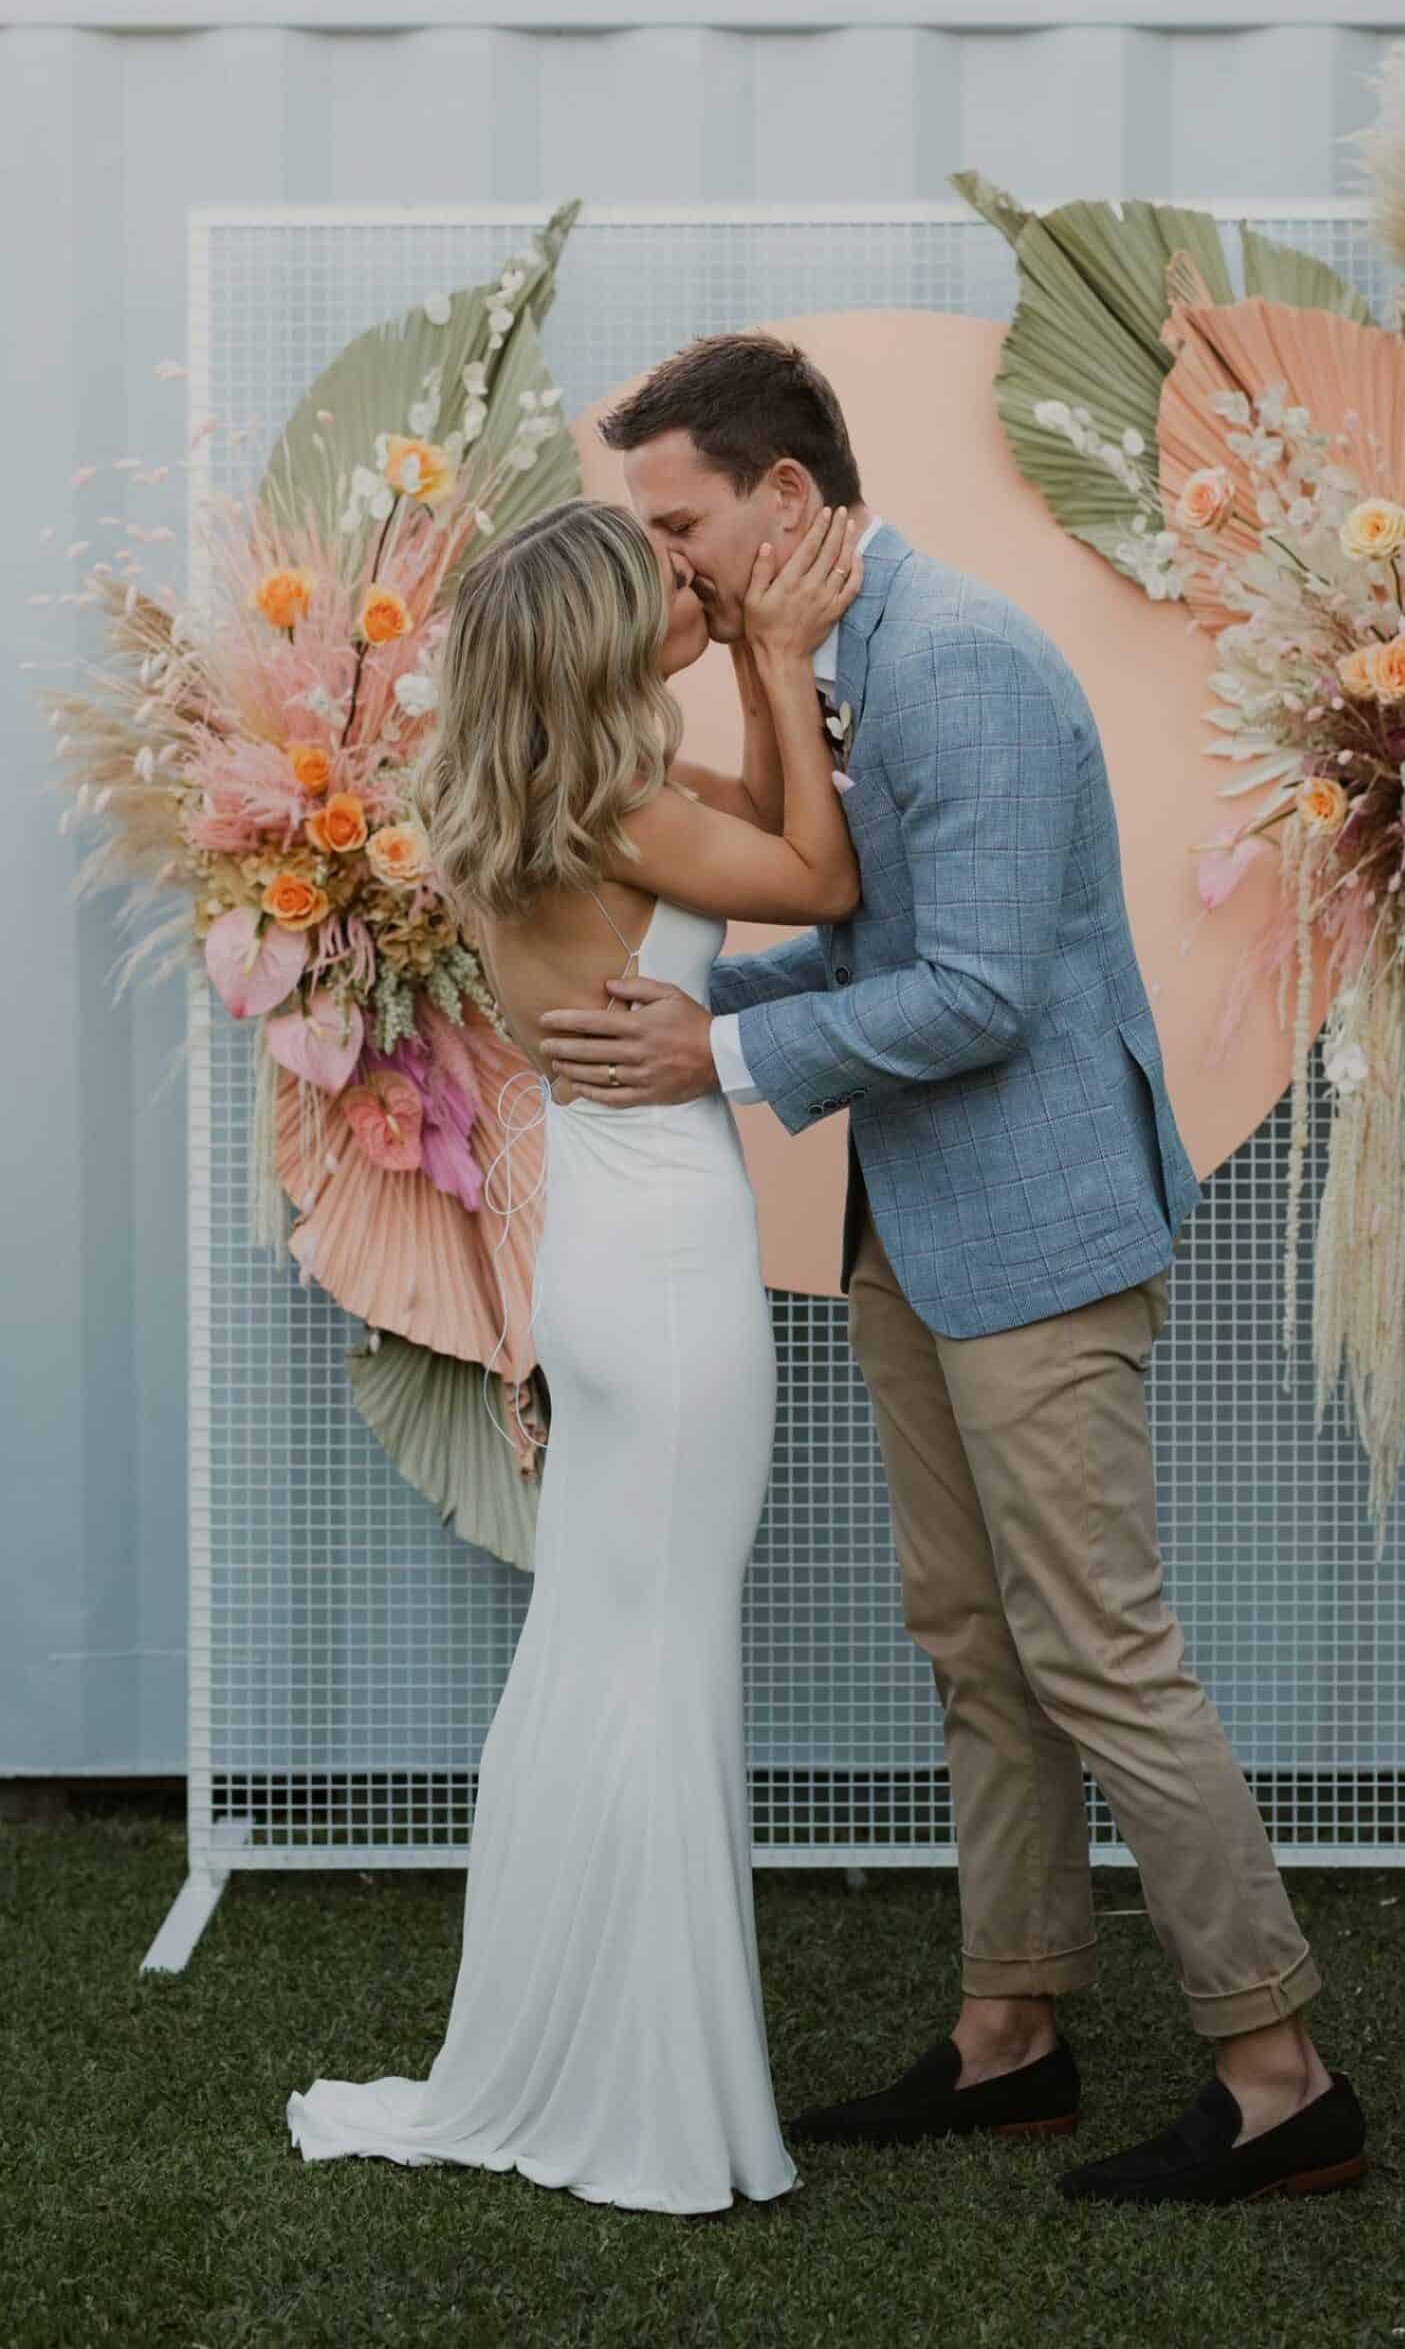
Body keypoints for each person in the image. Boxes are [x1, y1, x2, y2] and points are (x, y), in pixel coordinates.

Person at [539, 332, 1368, 2210]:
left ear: (790, 503)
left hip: (1038, 1222)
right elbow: (858, 948)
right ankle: (1014, 2039)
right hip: (913, 1222)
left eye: (680, 529)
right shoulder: (818, 664)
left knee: (1097, 1650)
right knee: (974, 1644)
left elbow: (982, 994)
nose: (662, 566)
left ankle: (1279, 2068)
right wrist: (659, 1005)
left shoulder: (959, 662)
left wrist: (715, 1056)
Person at [285, 496, 865, 2214]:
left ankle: (584, 2048)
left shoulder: (527, 814)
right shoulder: (627, 808)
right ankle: (650, 2102)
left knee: (596, 1656)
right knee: (662, 1662)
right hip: (673, 1267)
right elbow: (822, 875)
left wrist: (757, 677)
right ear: (608, 635)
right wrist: (777, 653)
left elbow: (761, 820)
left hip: (590, 1274)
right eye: (673, 584)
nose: (701, 590)